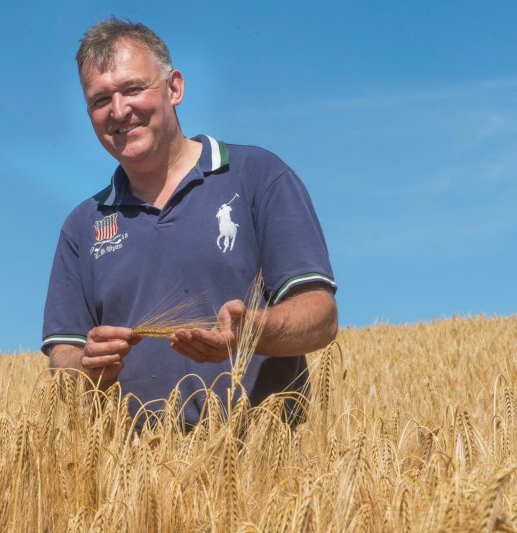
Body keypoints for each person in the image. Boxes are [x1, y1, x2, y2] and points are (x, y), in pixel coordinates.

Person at [42, 18, 338, 426]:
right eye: (100, 99)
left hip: (266, 458)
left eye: (133, 89)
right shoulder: (82, 226)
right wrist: (87, 365)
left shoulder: (258, 176)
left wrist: (251, 331)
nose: (119, 110)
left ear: (174, 88)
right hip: (132, 463)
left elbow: (321, 317)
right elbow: (64, 359)